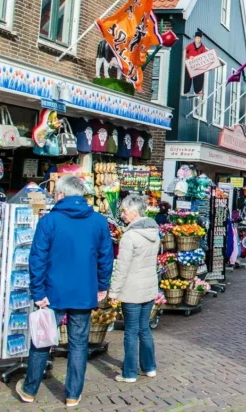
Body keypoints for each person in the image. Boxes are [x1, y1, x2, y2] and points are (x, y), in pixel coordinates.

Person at [16, 175, 114, 408]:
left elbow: (37, 259)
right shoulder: (98, 222)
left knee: (42, 341)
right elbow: (105, 257)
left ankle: (30, 390)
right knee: (79, 344)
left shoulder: (49, 221)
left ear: (60, 194)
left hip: (53, 292)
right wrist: (102, 285)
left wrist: (38, 291)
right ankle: (72, 394)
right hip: (83, 291)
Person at [110, 194, 160, 384]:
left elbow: (122, 267)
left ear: (133, 212)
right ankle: (149, 367)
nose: (122, 215)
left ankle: (129, 372)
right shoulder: (154, 233)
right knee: (144, 328)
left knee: (131, 331)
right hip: (148, 287)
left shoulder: (130, 236)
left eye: (124, 211)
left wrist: (114, 292)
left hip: (132, 289)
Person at [183, 30, 207, 95]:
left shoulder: (203, 47)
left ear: (200, 39)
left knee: (199, 76)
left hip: (197, 64)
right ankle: (185, 90)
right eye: (196, 38)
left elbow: (204, 55)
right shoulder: (190, 45)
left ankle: (197, 90)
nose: (197, 39)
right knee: (187, 77)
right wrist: (189, 56)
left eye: (199, 38)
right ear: (195, 38)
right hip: (190, 63)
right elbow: (185, 52)